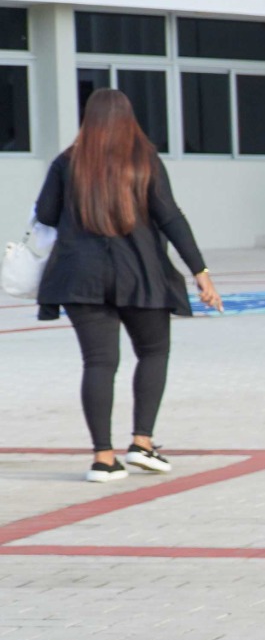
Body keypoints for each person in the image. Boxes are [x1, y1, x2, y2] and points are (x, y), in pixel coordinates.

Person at [33, 89, 222, 479]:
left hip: (79, 278)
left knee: (99, 363)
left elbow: (46, 214)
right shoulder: (144, 161)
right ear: (128, 119)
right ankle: (142, 442)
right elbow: (171, 217)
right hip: (141, 275)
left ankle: (103, 458)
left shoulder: (68, 163)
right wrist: (200, 271)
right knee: (153, 352)